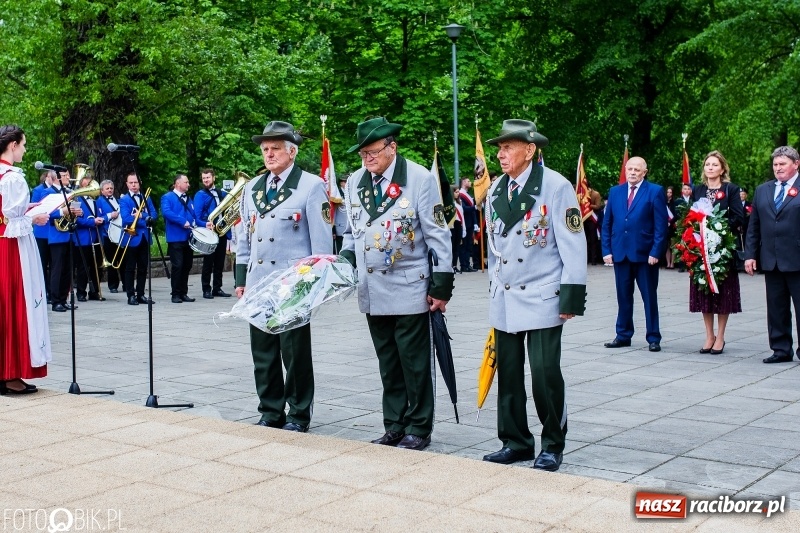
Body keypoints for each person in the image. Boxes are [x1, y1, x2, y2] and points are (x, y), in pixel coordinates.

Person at [340, 116, 454, 451]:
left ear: (393, 147)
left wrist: (441, 286)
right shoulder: (355, 182)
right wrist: (343, 266)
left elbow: (438, 234)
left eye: (373, 152)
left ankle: (419, 427)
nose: (367, 159)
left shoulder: (418, 178)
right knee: (388, 362)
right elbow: (351, 233)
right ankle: (394, 424)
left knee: (414, 363)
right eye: (363, 154)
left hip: (409, 286)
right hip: (371, 289)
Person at [479, 119, 586, 471]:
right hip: (506, 295)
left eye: (508, 147)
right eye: (499, 147)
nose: (501, 153)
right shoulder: (495, 190)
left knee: (544, 374)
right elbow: (497, 246)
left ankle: (553, 443)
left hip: (543, 294)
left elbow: (572, 242)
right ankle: (516, 441)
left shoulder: (555, 186)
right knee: (508, 374)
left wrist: (571, 295)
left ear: (530, 150)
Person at [235, 120, 331, 432]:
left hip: (293, 285)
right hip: (259, 282)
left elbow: (321, 244)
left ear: (292, 152)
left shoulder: (311, 185)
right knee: (262, 353)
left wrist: (316, 285)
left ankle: (299, 413)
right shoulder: (252, 188)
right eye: (265, 149)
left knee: (294, 353)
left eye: (275, 148)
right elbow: (244, 237)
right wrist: (240, 278)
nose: (269, 154)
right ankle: (270, 410)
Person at [0, 125, 52, 394]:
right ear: (12, 145)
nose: (24, 149)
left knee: (4, 305)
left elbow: (6, 212)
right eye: (23, 144)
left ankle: (5, 371)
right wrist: (36, 215)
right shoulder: (12, 177)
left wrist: (26, 209)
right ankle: (10, 374)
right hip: (11, 249)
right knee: (15, 303)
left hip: (2, 244)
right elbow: (12, 220)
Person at [602, 156, 668, 352]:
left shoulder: (655, 191)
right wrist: (606, 250)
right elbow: (607, 224)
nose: (632, 172)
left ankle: (653, 337)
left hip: (645, 255)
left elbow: (661, 226)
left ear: (644, 172)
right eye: (629, 168)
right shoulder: (615, 192)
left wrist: (656, 251)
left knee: (649, 297)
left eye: (636, 170)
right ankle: (623, 335)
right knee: (623, 297)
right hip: (620, 253)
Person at [745, 146, 800, 364]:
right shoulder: (763, 190)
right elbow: (754, 225)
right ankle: (781, 348)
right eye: (775, 164)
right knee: (776, 307)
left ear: (796, 164)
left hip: (796, 257)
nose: (778, 168)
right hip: (771, 258)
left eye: (782, 164)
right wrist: (750, 254)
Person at [690, 151, 743, 354]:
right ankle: (708, 335)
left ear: (722, 169)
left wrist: (717, 227)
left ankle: (720, 336)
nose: (710, 168)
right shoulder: (698, 190)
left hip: (722, 249)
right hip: (701, 249)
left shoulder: (731, 189)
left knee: (722, 293)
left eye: (714, 165)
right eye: (707, 165)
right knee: (704, 292)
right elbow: (692, 215)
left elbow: (739, 218)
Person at [119, 172, 158, 306]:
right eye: (131, 183)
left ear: (139, 183)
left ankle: (141, 294)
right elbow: (126, 219)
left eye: (136, 182)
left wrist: (141, 215)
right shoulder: (124, 199)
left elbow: (154, 216)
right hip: (131, 237)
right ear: (127, 184)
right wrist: (144, 219)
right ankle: (130, 295)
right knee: (130, 268)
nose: (134, 185)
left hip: (144, 238)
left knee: (143, 268)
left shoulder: (146, 197)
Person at [47, 169, 82, 312]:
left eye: (68, 175)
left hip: (69, 234)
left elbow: (73, 210)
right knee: (57, 269)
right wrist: (64, 212)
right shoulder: (48, 193)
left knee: (68, 269)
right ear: (56, 178)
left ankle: (63, 298)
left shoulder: (69, 193)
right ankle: (55, 301)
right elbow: (47, 213)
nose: (68, 177)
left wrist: (78, 212)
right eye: (64, 176)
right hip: (56, 236)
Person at [194, 168, 232, 299]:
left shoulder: (221, 193)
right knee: (208, 262)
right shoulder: (200, 195)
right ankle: (206, 289)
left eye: (208, 178)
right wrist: (206, 224)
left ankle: (217, 288)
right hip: (209, 232)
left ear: (213, 178)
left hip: (222, 231)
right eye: (204, 178)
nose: (206, 180)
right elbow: (197, 216)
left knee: (220, 262)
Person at [162, 173, 197, 303]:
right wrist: (182, 221)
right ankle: (175, 294)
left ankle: (183, 292)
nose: (188, 184)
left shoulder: (188, 198)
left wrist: (205, 224)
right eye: (186, 182)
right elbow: (166, 213)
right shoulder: (167, 197)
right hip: (175, 238)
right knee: (178, 266)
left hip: (188, 237)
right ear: (178, 184)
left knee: (187, 265)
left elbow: (194, 215)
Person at [73, 170, 105, 302]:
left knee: (96, 266)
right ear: (81, 186)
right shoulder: (76, 199)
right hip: (83, 238)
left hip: (95, 237)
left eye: (90, 184)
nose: (89, 186)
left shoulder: (96, 200)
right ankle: (81, 292)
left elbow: (100, 215)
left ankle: (95, 291)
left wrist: (101, 219)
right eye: (86, 184)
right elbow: (75, 220)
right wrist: (92, 221)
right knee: (82, 267)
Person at [95, 179, 122, 293]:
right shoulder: (99, 201)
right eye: (107, 188)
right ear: (102, 191)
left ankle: (125, 283)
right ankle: (113, 285)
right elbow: (99, 217)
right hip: (107, 234)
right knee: (111, 260)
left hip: (119, 233)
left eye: (111, 188)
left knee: (122, 259)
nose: (110, 190)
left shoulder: (117, 200)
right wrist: (110, 215)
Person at [31, 169, 54, 302]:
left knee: (53, 264)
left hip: (52, 231)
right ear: (47, 177)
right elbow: (35, 208)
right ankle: (44, 291)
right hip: (41, 231)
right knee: (43, 263)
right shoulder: (38, 190)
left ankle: (52, 292)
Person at [457, 177, 477, 272]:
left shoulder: (468, 195)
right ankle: (463, 265)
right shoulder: (461, 194)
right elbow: (464, 209)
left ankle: (467, 264)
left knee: (469, 245)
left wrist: (475, 222)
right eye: (468, 181)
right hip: (464, 223)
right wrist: (475, 207)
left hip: (470, 223)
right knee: (464, 245)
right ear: (464, 182)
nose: (470, 182)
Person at [332, 175, 349, 253]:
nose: (346, 183)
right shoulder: (336, 195)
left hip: (350, 228)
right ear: (341, 183)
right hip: (340, 228)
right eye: (345, 182)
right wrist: (333, 230)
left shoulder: (350, 193)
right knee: (339, 250)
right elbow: (333, 213)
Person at [664, 185, 677, 269]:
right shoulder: (663, 202)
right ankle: (668, 263)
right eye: (668, 192)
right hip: (665, 227)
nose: (669, 194)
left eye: (670, 192)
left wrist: (670, 222)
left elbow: (675, 215)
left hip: (672, 226)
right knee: (667, 246)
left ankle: (672, 263)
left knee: (673, 246)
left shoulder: (675, 203)